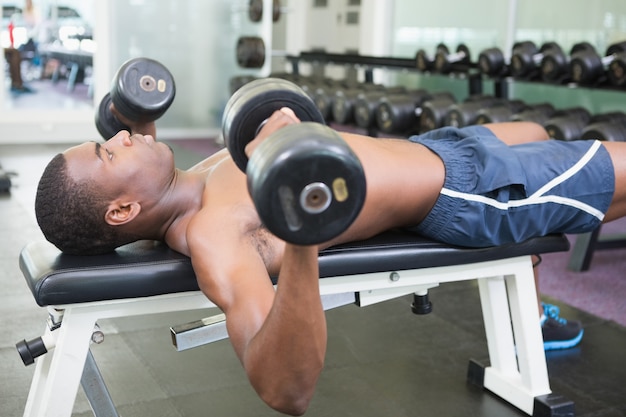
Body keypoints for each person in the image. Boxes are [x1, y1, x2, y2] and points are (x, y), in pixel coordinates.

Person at [34, 106, 626, 415]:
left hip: (434, 150)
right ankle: (531, 247)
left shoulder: (186, 182)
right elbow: (285, 390)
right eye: (107, 150)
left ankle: (531, 305)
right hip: (472, 192)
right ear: (122, 211)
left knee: (538, 127)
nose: (121, 136)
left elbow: (141, 164)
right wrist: (302, 229)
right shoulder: (215, 236)